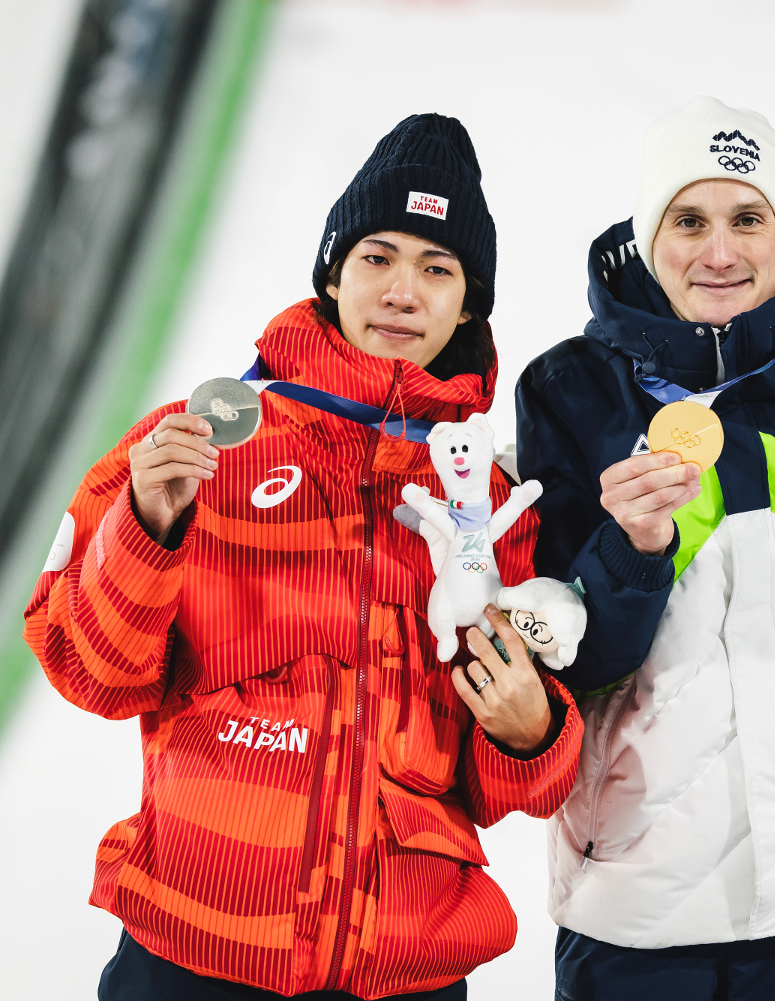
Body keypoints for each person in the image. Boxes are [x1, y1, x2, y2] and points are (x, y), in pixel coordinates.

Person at [24, 114, 582, 1000]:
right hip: (194, 953)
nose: (403, 290)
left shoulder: (485, 502)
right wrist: (146, 527)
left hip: (409, 970)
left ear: (470, 304)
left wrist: (533, 732)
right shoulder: (198, 446)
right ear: (333, 271)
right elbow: (92, 673)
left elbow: (510, 780)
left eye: (438, 269)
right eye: (378, 256)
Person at [516, 96, 775, 1001]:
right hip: (637, 908)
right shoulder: (572, 391)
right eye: (688, 221)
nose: (719, 252)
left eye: (749, 219)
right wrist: (629, 550)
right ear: (643, 236)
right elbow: (569, 664)